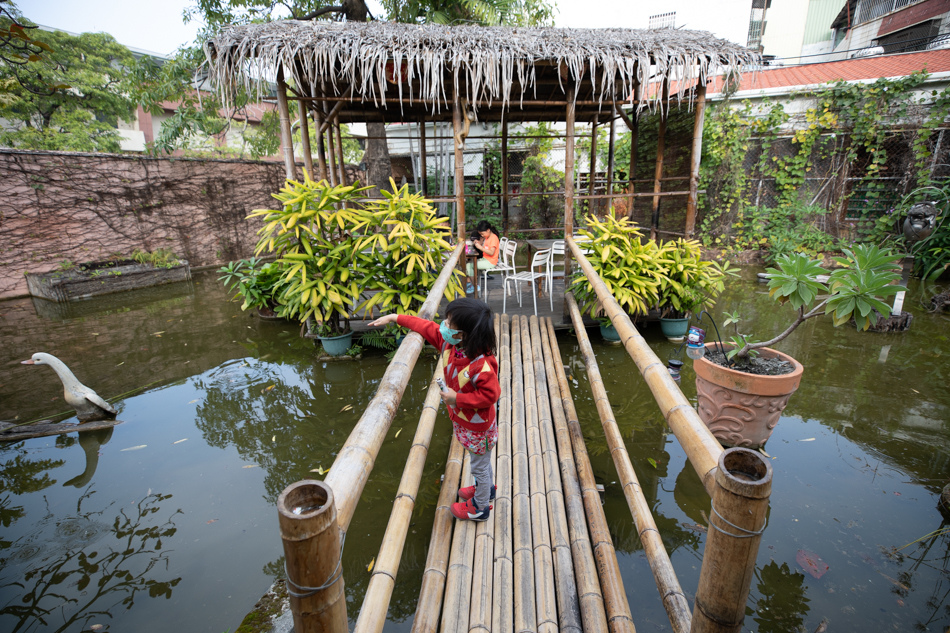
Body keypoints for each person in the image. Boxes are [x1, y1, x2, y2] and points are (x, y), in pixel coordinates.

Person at [369, 298, 499, 521]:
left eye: (450, 324)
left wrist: (457, 398)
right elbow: (425, 327)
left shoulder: (481, 366)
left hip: (479, 428)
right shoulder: (451, 345)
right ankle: (487, 491)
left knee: (479, 465)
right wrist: (395, 318)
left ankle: (480, 507)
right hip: (466, 424)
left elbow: (490, 395)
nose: (443, 326)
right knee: (481, 462)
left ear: (464, 334)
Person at [465, 220, 500, 295]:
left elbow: (491, 252)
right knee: (469, 263)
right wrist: (477, 243)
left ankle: (475, 285)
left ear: (488, 230)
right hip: (485, 259)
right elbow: (486, 248)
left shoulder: (494, 238)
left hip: (490, 262)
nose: (482, 236)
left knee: (469, 265)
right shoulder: (488, 237)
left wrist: (480, 247)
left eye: (482, 234)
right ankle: (472, 284)